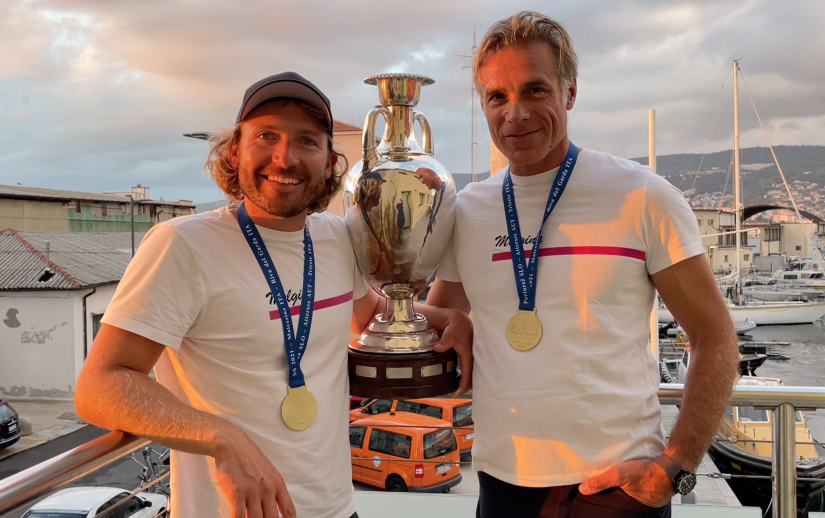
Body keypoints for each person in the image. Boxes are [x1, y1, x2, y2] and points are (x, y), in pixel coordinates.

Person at [75, 71, 472, 518]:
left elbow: (369, 313)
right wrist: (224, 440)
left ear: (329, 163)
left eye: (306, 141)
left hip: (337, 510)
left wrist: (444, 319)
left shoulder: (335, 238)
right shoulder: (182, 245)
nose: (284, 158)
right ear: (235, 150)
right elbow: (100, 386)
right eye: (267, 136)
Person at [426, 12, 739, 518]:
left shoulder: (643, 196)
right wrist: (448, 321)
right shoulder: (469, 210)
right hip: (502, 485)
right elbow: (431, 323)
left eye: (535, 91)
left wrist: (675, 470)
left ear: (569, 92)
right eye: (497, 97)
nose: (515, 114)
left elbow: (716, 338)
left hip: (615, 490)